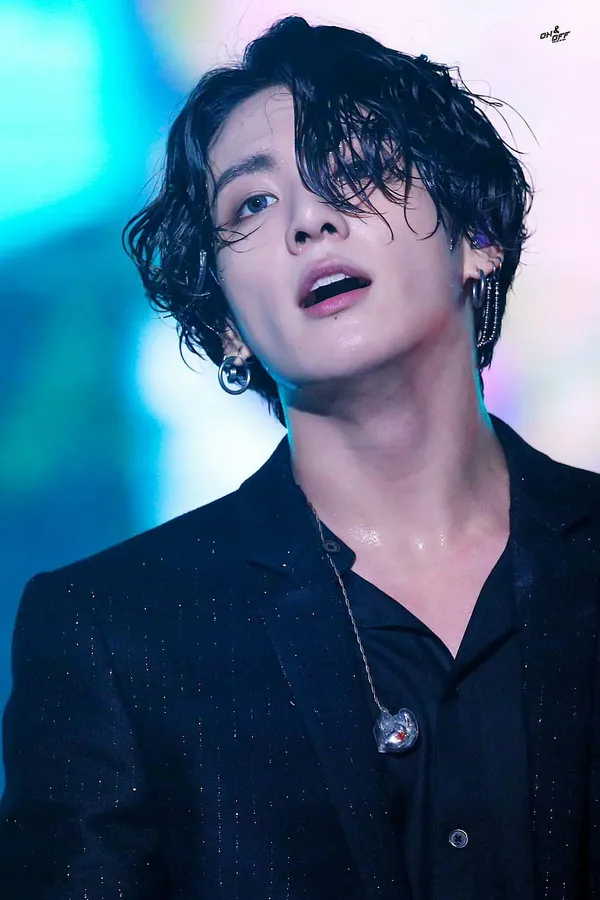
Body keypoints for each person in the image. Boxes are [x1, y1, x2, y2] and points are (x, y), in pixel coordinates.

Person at [1, 14, 599, 900]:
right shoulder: (112, 631)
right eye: (252, 204)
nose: (310, 220)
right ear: (225, 326)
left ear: (478, 237)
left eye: (355, 170)